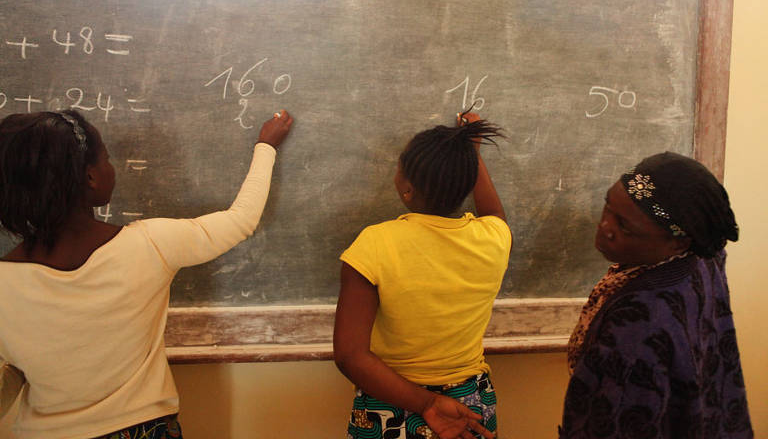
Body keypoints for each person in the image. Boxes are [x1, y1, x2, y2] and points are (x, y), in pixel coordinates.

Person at [0, 109, 293, 439]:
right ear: (90, 178)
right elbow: (241, 220)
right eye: (106, 158)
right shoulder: (150, 245)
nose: (111, 166)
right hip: (142, 429)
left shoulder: (5, 281)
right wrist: (266, 146)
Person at [333, 112, 512, 439]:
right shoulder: (494, 239)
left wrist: (427, 402)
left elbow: (350, 355)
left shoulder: (375, 244)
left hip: (391, 399)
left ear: (407, 189)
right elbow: (495, 214)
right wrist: (472, 152)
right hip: (470, 403)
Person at [559, 152, 753, 438]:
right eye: (608, 207)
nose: (605, 227)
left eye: (625, 226)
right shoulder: (703, 258)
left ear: (677, 242)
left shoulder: (637, 324)